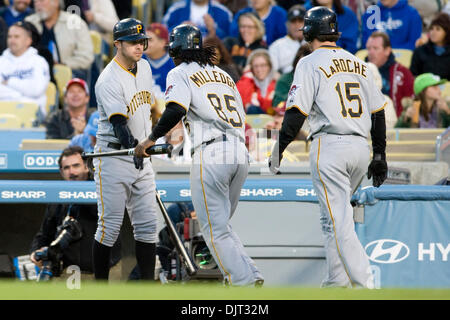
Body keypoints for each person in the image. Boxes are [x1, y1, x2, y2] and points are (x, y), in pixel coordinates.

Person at [134, 24, 264, 287]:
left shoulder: (179, 72)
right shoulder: (223, 74)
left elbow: (174, 110)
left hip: (213, 150)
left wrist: (149, 139)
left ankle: (245, 284)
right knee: (222, 227)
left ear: (175, 50)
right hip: (240, 151)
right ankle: (251, 274)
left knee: (214, 231)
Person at [269, 6, 387, 288]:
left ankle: (365, 285)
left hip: (330, 145)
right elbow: (378, 112)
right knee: (332, 218)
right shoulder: (359, 63)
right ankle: (337, 282)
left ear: (309, 32)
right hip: (360, 147)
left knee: (339, 222)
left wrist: (279, 148)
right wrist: (380, 153)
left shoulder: (309, 62)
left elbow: (296, 112)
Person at [92, 18, 158, 281]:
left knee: (148, 228)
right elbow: (119, 124)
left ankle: (147, 288)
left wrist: (153, 137)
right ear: (117, 43)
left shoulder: (145, 68)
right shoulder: (107, 79)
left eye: (142, 42)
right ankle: (99, 288)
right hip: (115, 155)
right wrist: (136, 147)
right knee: (109, 228)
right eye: (132, 42)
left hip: (141, 155)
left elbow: (149, 108)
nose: (139, 47)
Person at [30, 146, 121, 281]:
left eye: (76, 166)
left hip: (104, 272)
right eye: (66, 168)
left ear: (86, 167)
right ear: (61, 172)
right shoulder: (56, 197)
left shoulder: (103, 190)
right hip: (67, 273)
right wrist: (35, 251)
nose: (71, 172)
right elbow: (44, 233)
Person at [25, 0, 94, 80]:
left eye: (42, 1)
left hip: (67, 75)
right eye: (36, 2)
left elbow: (86, 57)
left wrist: (63, 65)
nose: (38, 4)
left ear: (56, 2)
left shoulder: (75, 22)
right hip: (33, 73)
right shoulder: (28, 22)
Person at [0, 21, 50, 121]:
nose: (12, 40)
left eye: (16, 37)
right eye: (9, 37)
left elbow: (36, 90)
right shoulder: (1, 61)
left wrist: (9, 82)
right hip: (3, 113)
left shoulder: (39, 62)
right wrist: (20, 96)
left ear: (28, 41)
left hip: (32, 115)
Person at [366, 31, 414, 117]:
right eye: (368, 49)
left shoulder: (403, 73)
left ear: (387, 51)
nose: (371, 52)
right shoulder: (359, 71)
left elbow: (411, 102)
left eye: (375, 48)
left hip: (395, 124)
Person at [163, 0, 233, 40]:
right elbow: (162, 36)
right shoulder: (175, 9)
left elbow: (231, 39)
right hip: (181, 56)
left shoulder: (223, 12)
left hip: (212, 58)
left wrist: (213, 30)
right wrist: (179, 30)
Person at [410, 13, 450, 81]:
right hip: (424, 89)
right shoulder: (419, 51)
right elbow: (412, 75)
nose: (433, 32)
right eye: (431, 29)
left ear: (446, 32)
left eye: (438, 29)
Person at [236, 48, 277, 115]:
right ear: (251, 68)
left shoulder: (276, 83)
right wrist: (246, 76)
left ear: (270, 66)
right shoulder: (248, 81)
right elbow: (243, 103)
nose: (259, 69)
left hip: (272, 120)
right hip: (251, 121)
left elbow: (270, 108)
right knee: (252, 109)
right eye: (256, 66)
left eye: (263, 65)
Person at [269, 4, 306, 75]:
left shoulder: (314, 42)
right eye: (293, 22)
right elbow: (272, 73)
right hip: (287, 82)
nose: (297, 25)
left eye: (300, 21)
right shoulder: (276, 46)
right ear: (287, 24)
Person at [143, 23, 175, 94]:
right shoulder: (138, 60)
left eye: (150, 40)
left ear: (163, 43)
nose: (145, 43)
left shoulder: (174, 62)